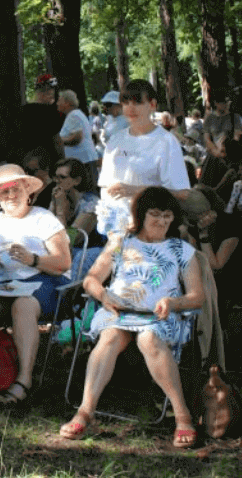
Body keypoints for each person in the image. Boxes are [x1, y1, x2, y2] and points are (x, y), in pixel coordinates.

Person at [60, 187, 204, 447]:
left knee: (148, 339)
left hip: (160, 317)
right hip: (119, 312)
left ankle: (182, 416)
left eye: (168, 215)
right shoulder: (120, 241)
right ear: (140, 214)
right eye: (155, 214)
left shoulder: (182, 250)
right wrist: (103, 296)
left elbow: (197, 297)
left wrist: (173, 301)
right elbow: (91, 279)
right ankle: (85, 412)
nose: (161, 221)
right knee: (111, 336)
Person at [0, 164, 72, 406]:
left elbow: (63, 262)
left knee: (23, 305)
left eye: (15, 189)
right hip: (1, 285)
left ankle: (24, 379)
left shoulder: (44, 219)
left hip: (44, 284)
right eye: (4, 192)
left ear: (28, 190)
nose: (11, 196)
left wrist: (33, 259)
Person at [95, 78, 190, 239]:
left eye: (137, 102)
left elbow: (182, 193)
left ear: (152, 105)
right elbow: (105, 185)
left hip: (151, 232)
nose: (130, 108)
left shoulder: (166, 141)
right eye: (125, 103)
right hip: (116, 230)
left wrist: (135, 191)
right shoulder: (115, 140)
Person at [57, 89, 99, 169]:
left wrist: (58, 140)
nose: (57, 103)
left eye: (59, 100)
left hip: (82, 162)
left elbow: (77, 137)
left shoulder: (73, 115)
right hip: (85, 160)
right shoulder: (76, 114)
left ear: (67, 102)